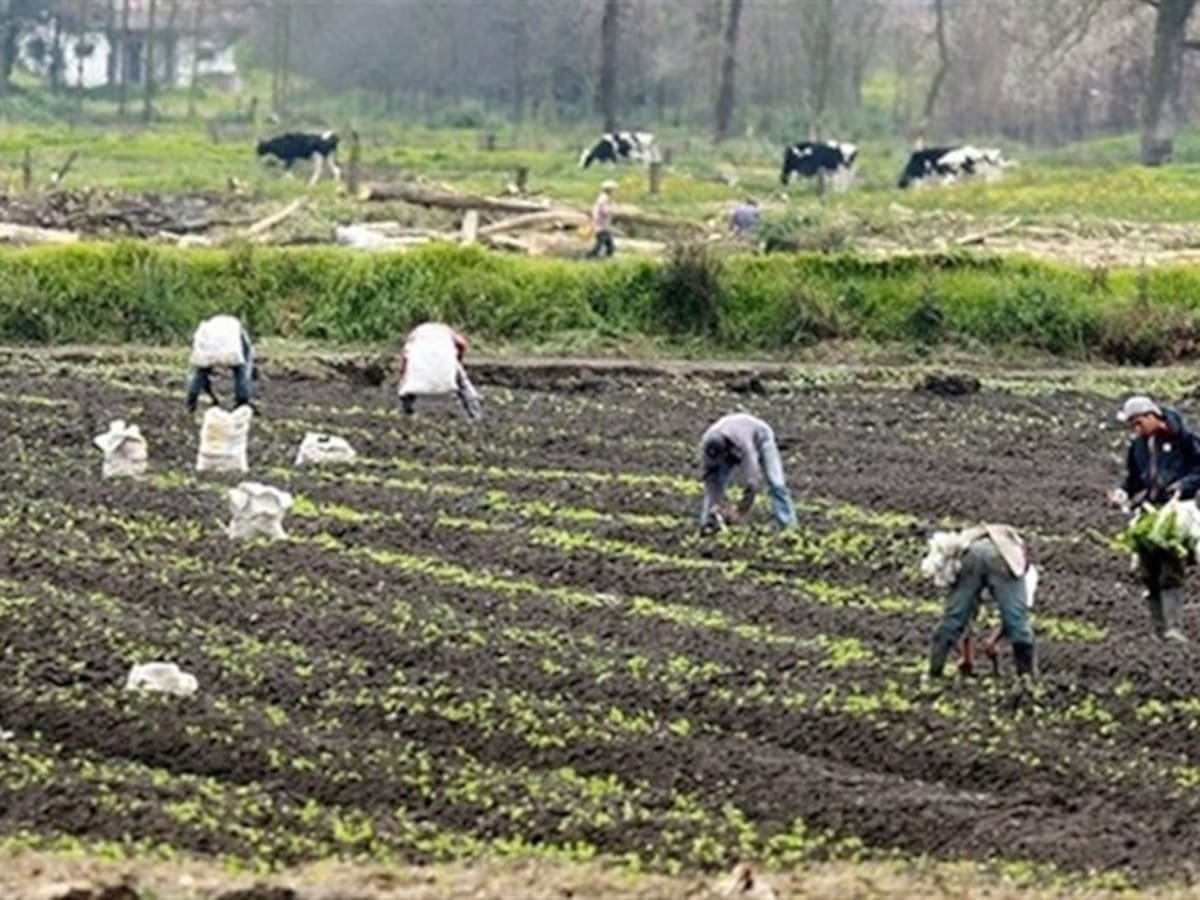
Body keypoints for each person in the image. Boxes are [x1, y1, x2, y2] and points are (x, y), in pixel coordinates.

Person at [1107, 395, 1200, 641]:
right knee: (1149, 571)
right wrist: (1122, 491)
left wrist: (1184, 485)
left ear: (1152, 416)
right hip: (1150, 510)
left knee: (1172, 566)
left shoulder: (1184, 439)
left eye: (1138, 423)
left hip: (1178, 510)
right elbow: (1133, 477)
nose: (1136, 430)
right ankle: (1158, 629)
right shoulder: (1139, 445)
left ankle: (1174, 627)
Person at [924, 524, 1038, 680]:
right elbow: (1015, 615)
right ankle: (1026, 677)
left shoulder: (974, 542)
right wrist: (993, 641)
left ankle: (933, 674)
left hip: (970, 552)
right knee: (1017, 622)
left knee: (954, 617)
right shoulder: (1025, 569)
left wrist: (971, 654)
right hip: (1003, 558)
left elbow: (966, 614)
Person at [699, 413, 797, 530]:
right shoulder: (707, 443)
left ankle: (788, 525)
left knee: (776, 483)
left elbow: (753, 480)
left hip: (760, 436)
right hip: (729, 436)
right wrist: (715, 504)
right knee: (717, 481)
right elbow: (710, 477)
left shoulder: (744, 444)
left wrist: (741, 510)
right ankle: (709, 523)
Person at [397, 322, 482, 420]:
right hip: (444, 355)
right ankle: (476, 413)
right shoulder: (446, 330)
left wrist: (403, 373)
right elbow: (462, 344)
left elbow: (405, 354)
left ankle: (406, 411)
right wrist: (459, 361)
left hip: (420, 357)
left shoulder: (415, 333)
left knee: (406, 387)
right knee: (463, 384)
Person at [186, 314, 254, 413]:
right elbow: (247, 348)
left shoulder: (209, 326)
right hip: (232, 350)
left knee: (200, 373)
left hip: (209, 349)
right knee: (241, 372)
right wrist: (247, 365)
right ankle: (242, 402)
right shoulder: (237, 327)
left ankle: (191, 403)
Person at [587, 180, 617, 258]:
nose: (614, 192)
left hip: (602, 226)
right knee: (604, 245)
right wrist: (612, 208)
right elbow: (605, 211)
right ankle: (589, 257)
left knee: (606, 245)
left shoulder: (603, 198)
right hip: (601, 226)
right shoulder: (604, 199)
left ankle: (593, 257)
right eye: (613, 190)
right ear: (609, 190)